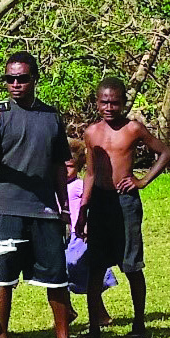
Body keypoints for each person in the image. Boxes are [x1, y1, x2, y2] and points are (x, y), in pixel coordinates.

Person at [0, 51, 88, 338]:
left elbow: (60, 165)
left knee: (56, 277)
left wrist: (63, 207)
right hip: (7, 207)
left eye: (21, 78)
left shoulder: (50, 116)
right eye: (10, 79)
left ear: (34, 79)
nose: (15, 84)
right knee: (3, 279)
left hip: (44, 208)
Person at [78, 77, 170, 338]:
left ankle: (139, 324)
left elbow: (165, 152)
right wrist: (83, 210)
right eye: (104, 102)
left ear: (123, 103)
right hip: (100, 202)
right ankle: (95, 329)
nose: (109, 107)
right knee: (95, 266)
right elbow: (90, 173)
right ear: (97, 102)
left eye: (115, 102)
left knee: (131, 263)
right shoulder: (91, 133)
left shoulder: (133, 129)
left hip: (125, 202)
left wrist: (141, 181)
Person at [65, 138, 117, 326]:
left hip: (80, 236)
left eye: (70, 166)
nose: (65, 170)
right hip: (64, 236)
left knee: (82, 271)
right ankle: (67, 310)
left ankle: (100, 314)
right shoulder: (56, 186)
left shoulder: (79, 186)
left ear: (78, 166)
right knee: (62, 273)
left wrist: (88, 225)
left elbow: (90, 205)